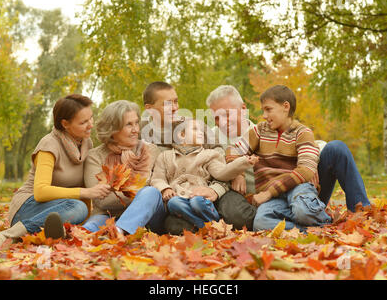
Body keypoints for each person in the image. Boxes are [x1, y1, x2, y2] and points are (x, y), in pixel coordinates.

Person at [206, 85, 371, 230]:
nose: (222, 122)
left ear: (243, 109)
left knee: (336, 148)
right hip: (269, 201)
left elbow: (309, 141)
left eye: (227, 114)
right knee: (263, 221)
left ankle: (361, 212)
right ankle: (314, 227)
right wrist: (237, 171)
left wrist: (310, 162)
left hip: (299, 189)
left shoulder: (265, 129)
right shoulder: (211, 139)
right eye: (217, 117)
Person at [0, 94, 111, 248]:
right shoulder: (49, 145)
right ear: (65, 124)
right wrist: (86, 193)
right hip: (28, 206)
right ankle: (5, 235)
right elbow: (40, 192)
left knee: (79, 209)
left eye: (91, 118)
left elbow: (84, 185)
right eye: (83, 122)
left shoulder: (86, 144)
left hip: (62, 210)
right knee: (78, 207)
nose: (90, 124)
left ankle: (50, 234)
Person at [226, 85, 332, 230]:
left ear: (285, 107)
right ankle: (310, 230)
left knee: (302, 211)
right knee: (260, 223)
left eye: (268, 109)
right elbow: (232, 149)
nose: (264, 115)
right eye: (263, 110)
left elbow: (306, 170)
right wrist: (238, 173)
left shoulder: (302, 132)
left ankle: (319, 221)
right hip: (274, 198)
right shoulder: (259, 131)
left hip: (297, 188)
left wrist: (268, 193)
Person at [141, 81, 229, 234]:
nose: (175, 108)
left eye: (175, 101)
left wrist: (215, 190)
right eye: (167, 104)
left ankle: (211, 225)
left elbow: (221, 157)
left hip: (201, 193)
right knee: (173, 225)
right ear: (150, 109)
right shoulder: (140, 131)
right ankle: (206, 227)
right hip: (168, 198)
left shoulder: (192, 126)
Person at [150, 118, 257, 229]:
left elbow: (222, 173)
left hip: (201, 199)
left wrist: (242, 162)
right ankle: (207, 226)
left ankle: (213, 221)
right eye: (195, 129)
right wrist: (165, 188)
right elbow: (157, 178)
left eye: (201, 130)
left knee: (197, 202)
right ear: (181, 135)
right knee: (173, 203)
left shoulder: (209, 155)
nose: (201, 132)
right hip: (180, 199)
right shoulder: (165, 156)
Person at [81, 100, 166, 236]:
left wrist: (128, 193)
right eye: (129, 125)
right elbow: (101, 200)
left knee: (151, 193)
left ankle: (118, 232)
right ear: (113, 130)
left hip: (148, 217)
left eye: (136, 123)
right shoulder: (95, 156)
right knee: (88, 228)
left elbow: (155, 189)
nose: (136, 130)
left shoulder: (151, 151)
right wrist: (139, 191)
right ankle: (66, 236)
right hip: (107, 215)